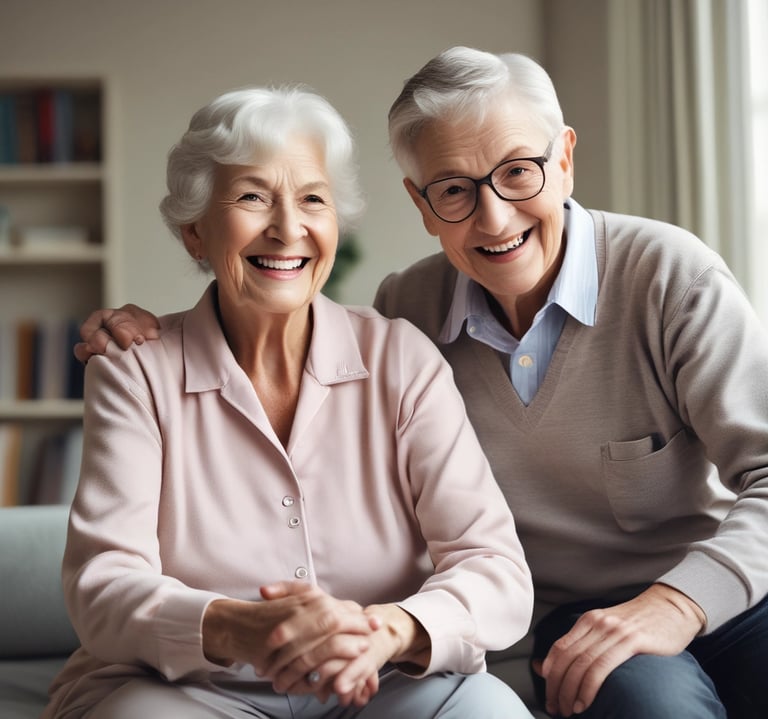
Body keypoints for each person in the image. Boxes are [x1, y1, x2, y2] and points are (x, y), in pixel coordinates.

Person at [74, 47, 768, 719]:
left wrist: (677, 601)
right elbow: (108, 579)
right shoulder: (411, 314)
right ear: (422, 203)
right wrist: (142, 339)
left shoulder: (666, 277)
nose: (493, 216)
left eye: (519, 170)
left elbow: (488, 558)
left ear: (564, 159)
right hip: (576, 625)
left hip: (718, 587)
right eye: (455, 190)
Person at [43, 84, 536, 719]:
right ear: (195, 231)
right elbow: (102, 587)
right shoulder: (135, 371)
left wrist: (387, 630)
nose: (287, 229)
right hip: (186, 690)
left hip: (384, 680)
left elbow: (494, 567)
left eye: (312, 199)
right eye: (252, 197)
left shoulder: (401, 358)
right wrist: (239, 628)